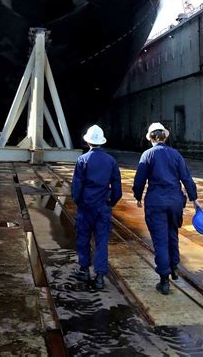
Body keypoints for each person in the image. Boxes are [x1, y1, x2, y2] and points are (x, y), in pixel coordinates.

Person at [132, 122, 199, 295]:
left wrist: (138, 196)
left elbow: (139, 180)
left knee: (160, 240)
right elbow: (186, 178)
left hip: (156, 203)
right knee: (172, 234)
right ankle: (174, 267)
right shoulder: (176, 155)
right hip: (175, 202)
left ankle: (164, 280)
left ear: (151, 138)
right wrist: (194, 199)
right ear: (164, 137)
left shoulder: (147, 155)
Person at [71, 124, 122, 290]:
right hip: (103, 206)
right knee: (101, 241)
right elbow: (117, 189)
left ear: (88, 142)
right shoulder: (111, 161)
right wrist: (111, 202)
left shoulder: (82, 160)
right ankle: (100, 277)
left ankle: (84, 270)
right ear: (101, 142)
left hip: (86, 206)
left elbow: (77, 186)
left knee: (83, 239)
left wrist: (78, 202)